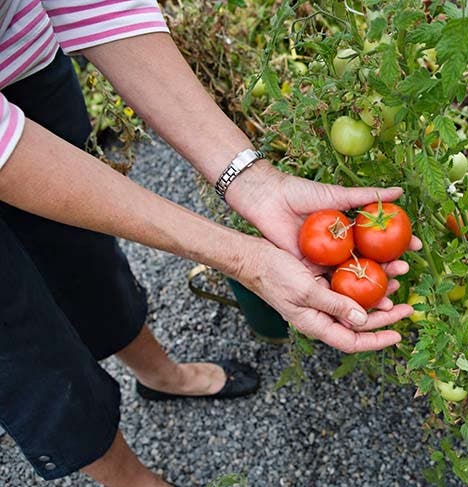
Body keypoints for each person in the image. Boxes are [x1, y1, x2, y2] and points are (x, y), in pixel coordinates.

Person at [0, 1, 421, 486]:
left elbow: (99, 5)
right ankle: (128, 479)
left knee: (83, 254)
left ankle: (160, 375)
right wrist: (243, 257)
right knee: (24, 344)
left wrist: (256, 185)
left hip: (22, 61)